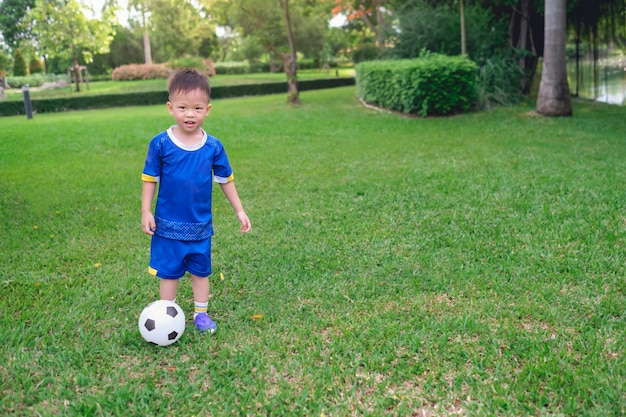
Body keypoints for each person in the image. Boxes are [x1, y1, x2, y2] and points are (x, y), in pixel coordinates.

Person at [141, 68, 251, 333]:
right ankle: (167, 314)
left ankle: (201, 315)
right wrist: (146, 210)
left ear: (207, 109)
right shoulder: (161, 144)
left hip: (200, 225)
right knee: (169, 273)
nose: (190, 114)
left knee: (201, 272)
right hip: (167, 225)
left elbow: (226, 180)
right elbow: (149, 179)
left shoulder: (213, 147)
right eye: (182, 107)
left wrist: (239, 210)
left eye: (197, 108)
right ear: (170, 107)